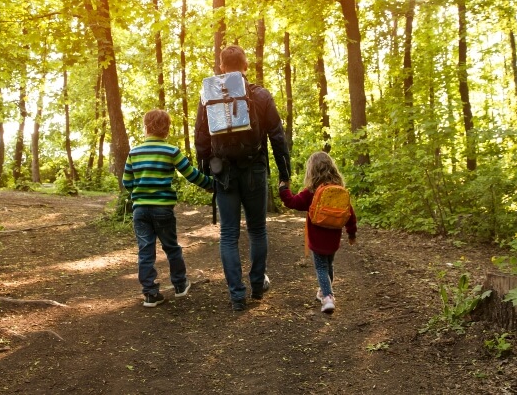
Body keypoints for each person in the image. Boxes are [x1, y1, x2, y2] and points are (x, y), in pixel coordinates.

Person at [194, 45, 292, 311]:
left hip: (223, 173)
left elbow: (201, 139)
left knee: (228, 234)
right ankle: (257, 287)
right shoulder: (259, 94)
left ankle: (237, 296)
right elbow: (277, 136)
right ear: (245, 65)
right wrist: (285, 174)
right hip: (255, 170)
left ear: (222, 67)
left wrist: (206, 173)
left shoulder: (208, 96)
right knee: (257, 229)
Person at [123, 109, 213, 307]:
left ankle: (150, 294)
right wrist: (211, 184)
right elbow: (191, 174)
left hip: (140, 210)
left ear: (146, 127)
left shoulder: (134, 152)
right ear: (166, 129)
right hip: (163, 209)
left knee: (145, 251)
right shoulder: (171, 151)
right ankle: (180, 285)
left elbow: (126, 181)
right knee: (171, 247)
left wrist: (139, 193)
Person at [279, 151, 357, 313]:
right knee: (328, 265)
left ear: (312, 171)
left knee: (321, 267)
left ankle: (328, 297)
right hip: (334, 237)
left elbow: (292, 202)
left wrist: (283, 189)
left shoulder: (312, 192)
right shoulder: (339, 191)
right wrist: (351, 233)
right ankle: (323, 291)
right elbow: (350, 213)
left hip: (317, 238)